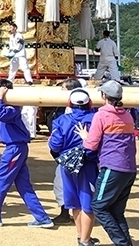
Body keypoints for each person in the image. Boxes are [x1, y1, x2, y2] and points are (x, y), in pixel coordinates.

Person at [0, 79, 53, 227]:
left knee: (0, 181)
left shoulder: (11, 109)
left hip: (14, 149)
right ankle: (42, 218)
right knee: (23, 185)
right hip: (16, 148)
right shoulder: (5, 108)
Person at [76, 80, 137, 246]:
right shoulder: (127, 114)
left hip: (112, 166)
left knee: (98, 206)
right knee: (117, 212)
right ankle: (125, 244)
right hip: (129, 168)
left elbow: (91, 144)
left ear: (104, 96)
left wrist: (84, 137)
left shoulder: (102, 115)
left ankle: (122, 242)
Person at [48, 88, 99, 246]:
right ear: (89, 103)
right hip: (88, 164)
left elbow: (55, 145)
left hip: (68, 165)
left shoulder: (62, 120)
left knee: (74, 201)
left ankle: (81, 236)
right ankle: (85, 239)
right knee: (88, 202)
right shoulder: (96, 119)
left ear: (69, 103)